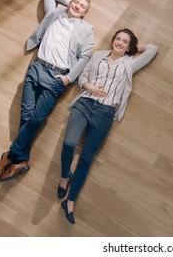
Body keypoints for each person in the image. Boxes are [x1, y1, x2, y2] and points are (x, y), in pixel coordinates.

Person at [58, 28, 158, 224]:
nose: (119, 42)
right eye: (118, 39)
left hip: (105, 113)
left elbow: (154, 49)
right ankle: (64, 176)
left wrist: (133, 48)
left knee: (86, 158)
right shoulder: (98, 56)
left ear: (129, 46)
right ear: (113, 40)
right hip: (85, 103)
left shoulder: (130, 63)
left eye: (124, 42)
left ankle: (70, 201)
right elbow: (83, 77)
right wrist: (90, 87)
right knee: (69, 143)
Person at [0, 0, 95, 181]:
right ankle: (21, 160)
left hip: (57, 77)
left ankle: (12, 154)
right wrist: (67, 0)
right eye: (76, 2)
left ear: (85, 12)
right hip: (37, 67)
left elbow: (84, 57)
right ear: (70, 2)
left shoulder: (86, 30)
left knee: (37, 119)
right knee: (26, 114)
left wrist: (68, 78)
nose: (77, 6)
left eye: (82, 6)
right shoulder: (55, 13)